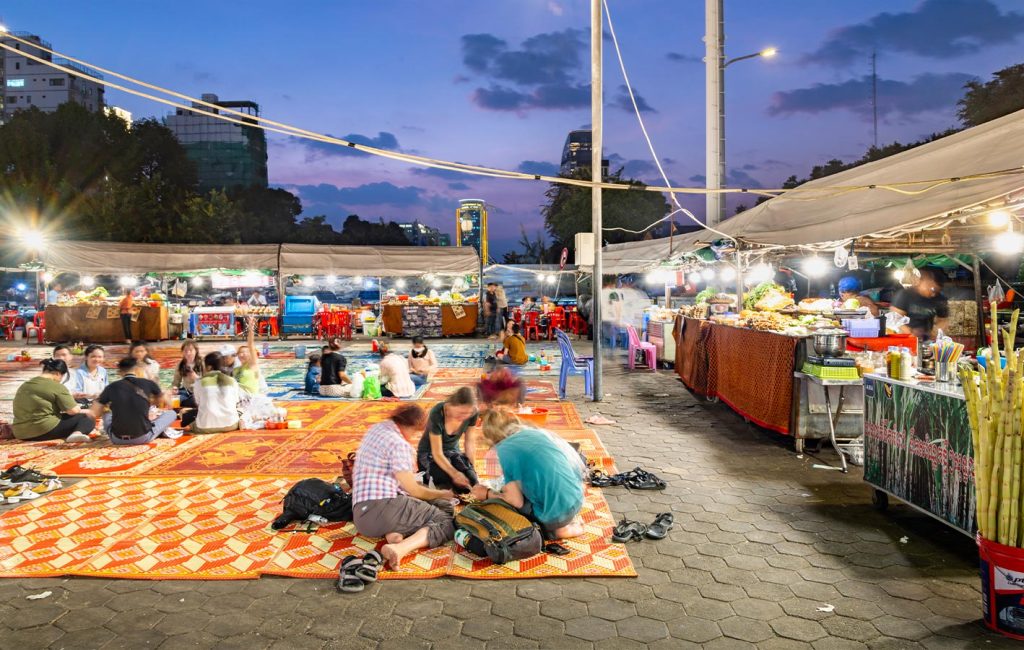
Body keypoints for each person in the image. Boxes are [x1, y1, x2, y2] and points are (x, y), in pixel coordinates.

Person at [352, 404, 456, 569]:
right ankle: (400, 548)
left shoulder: (377, 429)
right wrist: (442, 494)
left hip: (362, 516)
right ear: (414, 427)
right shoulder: (398, 444)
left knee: (437, 505)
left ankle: (394, 534)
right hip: (382, 509)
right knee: (445, 520)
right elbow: (413, 489)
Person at [472, 409, 585, 540]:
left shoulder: (504, 449)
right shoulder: (534, 433)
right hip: (577, 499)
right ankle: (566, 519)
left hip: (556, 515)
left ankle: (560, 530)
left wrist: (486, 494)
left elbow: (516, 501)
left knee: (507, 506)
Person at [91, 358, 178, 445]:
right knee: (171, 413)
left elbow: (95, 412)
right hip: (142, 437)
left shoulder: (111, 387)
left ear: (119, 372)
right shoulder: (148, 383)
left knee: (107, 414)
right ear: (137, 369)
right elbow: (166, 403)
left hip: (117, 439)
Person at [12, 359, 95, 442]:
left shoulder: (26, 384)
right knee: (87, 417)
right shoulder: (56, 386)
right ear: (58, 374)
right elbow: (73, 411)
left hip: (20, 432)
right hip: (42, 430)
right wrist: (89, 410)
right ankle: (76, 434)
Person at [416, 387, 479, 493]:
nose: (464, 417)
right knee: (446, 484)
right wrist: (454, 473)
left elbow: (470, 444)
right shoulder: (437, 412)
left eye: (468, 413)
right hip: (430, 454)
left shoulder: (473, 413)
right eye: (461, 413)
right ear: (451, 405)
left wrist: (471, 469)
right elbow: (437, 453)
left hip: (453, 453)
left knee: (472, 482)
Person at [890, 267, 950, 340]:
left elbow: (943, 320)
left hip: (925, 339)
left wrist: (934, 333)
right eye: (932, 289)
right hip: (904, 338)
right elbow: (895, 318)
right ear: (923, 281)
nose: (933, 294)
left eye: (937, 291)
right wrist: (910, 333)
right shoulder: (904, 295)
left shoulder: (940, 299)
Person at [189, 351, 241, 433]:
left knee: (187, 416)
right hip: (231, 425)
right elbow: (236, 402)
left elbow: (198, 403)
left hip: (205, 427)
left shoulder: (199, 382)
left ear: (209, 367)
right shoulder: (232, 381)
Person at [234, 316, 264, 395]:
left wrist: (251, 328)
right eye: (240, 353)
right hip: (239, 399)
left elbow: (250, 344)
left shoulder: (252, 365)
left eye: (245, 352)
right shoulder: (235, 369)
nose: (242, 354)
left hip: (251, 399)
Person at [172, 340, 204, 409]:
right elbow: (176, 381)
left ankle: (191, 403)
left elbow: (208, 381)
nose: (188, 353)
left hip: (200, 391)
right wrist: (175, 388)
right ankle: (191, 403)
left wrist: (196, 377)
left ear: (196, 351)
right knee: (174, 400)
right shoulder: (180, 365)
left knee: (197, 400)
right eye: (185, 351)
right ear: (182, 352)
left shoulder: (202, 363)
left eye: (191, 350)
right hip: (186, 392)